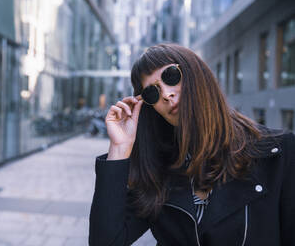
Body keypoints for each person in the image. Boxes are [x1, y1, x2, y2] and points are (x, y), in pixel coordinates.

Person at [89, 43, 295, 246]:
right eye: (152, 93)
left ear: (197, 74)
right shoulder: (158, 170)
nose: (166, 95)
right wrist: (119, 148)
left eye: (171, 77)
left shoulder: (278, 152)